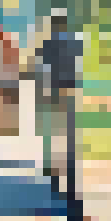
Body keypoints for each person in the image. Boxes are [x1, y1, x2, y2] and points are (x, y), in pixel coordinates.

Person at [36, 10, 82, 192]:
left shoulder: (48, 42)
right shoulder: (73, 41)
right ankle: (69, 164)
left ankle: (51, 166)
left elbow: (41, 66)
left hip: (54, 90)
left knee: (51, 129)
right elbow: (78, 62)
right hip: (69, 89)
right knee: (68, 129)